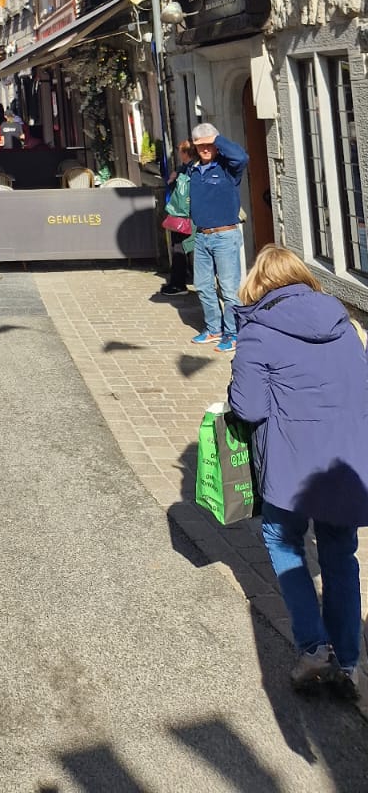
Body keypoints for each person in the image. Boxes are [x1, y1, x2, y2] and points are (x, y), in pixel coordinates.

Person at [229, 245, 368, 698]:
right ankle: (348, 662)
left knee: (282, 539)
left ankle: (313, 647)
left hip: (291, 463)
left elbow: (248, 408)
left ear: (259, 284)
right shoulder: (342, 323)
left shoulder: (257, 331)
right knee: (340, 552)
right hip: (343, 464)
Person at [186, 122, 249, 352]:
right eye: (200, 145)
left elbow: (241, 157)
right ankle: (214, 329)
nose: (205, 149)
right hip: (202, 236)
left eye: (208, 145)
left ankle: (233, 334)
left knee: (229, 288)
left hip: (225, 235)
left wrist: (217, 139)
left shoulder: (228, 169)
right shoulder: (193, 170)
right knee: (202, 285)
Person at [158, 141, 195, 296]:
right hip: (185, 214)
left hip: (185, 215)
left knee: (180, 248)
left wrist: (174, 179)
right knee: (182, 248)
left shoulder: (190, 171)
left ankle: (178, 284)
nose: (179, 154)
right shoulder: (184, 169)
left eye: (180, 151)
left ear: (185, 153)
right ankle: (181, 281)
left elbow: (181, 194)